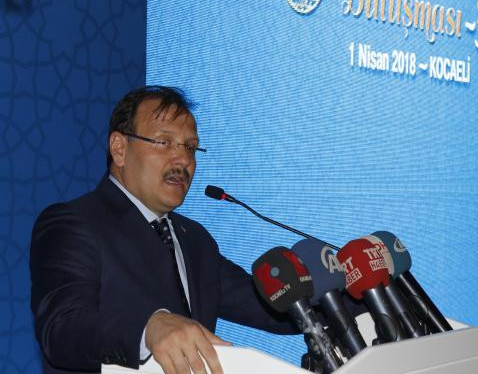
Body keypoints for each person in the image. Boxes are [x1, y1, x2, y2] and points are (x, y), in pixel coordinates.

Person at [30, 86, 296, 374]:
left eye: (190, 147)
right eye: (164, 142)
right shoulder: (75, 223)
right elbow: (62, 329)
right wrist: (149, 329)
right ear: (119, 149)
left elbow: (275, 308)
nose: (183, 160)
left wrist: (333, 294)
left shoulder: (195, 240)